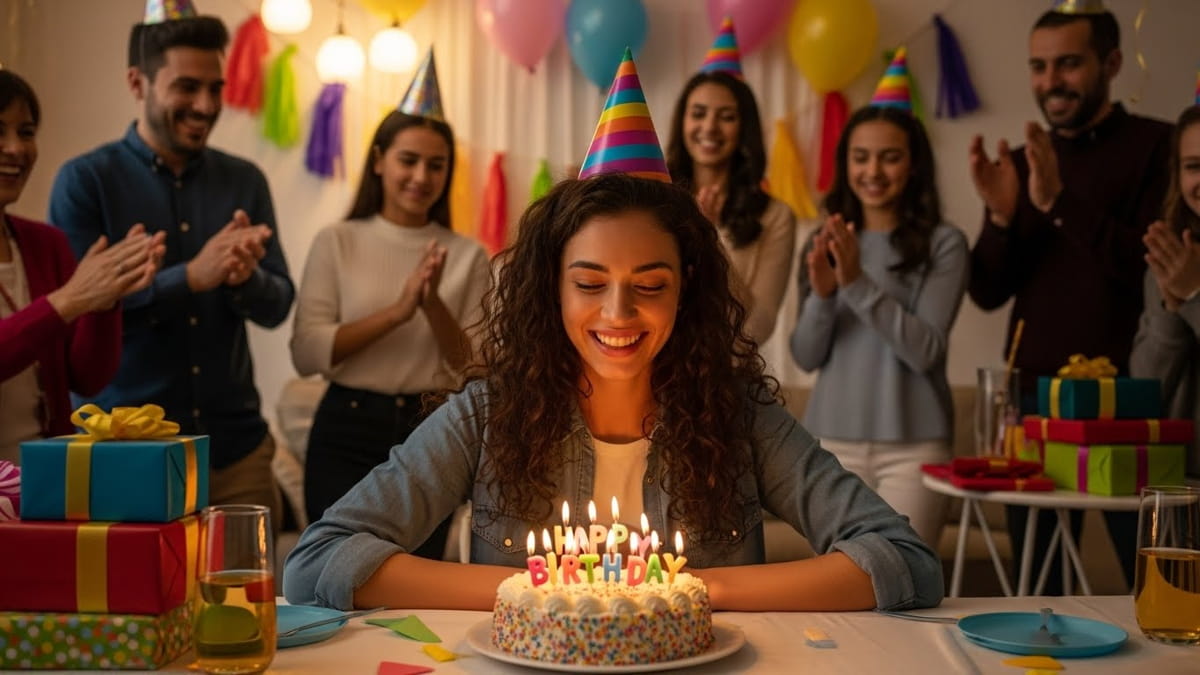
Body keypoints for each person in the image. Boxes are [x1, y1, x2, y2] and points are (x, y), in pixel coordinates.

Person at [284, 52, 941, 612]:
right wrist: (533, 590)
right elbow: (318, 561)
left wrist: (686, 590)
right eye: (590, 283)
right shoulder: (488, 413)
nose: (619, 313)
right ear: (552, 285)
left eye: (650, 285)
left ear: (688, 289)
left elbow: (905, 560)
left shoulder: (737, 413)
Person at [47, 5, 293, 529]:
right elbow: (71, 320)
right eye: (186, 87)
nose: (205, 105)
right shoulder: (85, 182)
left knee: (248, 604)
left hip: (236, 451)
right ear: (137, 82)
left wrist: (245, 278)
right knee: (130, 607)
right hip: (125, 455)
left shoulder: (244, 180)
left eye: (215, 88)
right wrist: (191, 277)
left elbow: (279, 305)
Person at [966, 3, 1171, 592]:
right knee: (1038, 590)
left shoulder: (1156, 147)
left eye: (1068, 64)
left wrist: (1057, 202)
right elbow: (986, 291)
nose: (1050, 82)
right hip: (1030, 403)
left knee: (1149, 583)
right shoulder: (1023, 159)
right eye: (1038, 66)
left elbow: (1149, 271)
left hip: (1126, 402)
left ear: (1110, 62)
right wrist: (1004, 217)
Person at [290, 50, 491, 558]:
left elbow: (475, 367)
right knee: (334, 573)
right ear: (378, 160)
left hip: (431, 430)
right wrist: (397, 313)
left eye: (436, 165)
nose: (421, 176)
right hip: (345, 426)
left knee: (413, 583)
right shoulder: (337, 240)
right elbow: (308, 352)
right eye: (408, 160)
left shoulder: (468, 255)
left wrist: (432, 309)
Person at [789, 50, 969, 548]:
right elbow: (805, 354)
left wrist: (855, 283)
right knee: (834, 589)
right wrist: (824, 297)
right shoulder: (823, 239)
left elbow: (925, 349)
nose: (874, 170)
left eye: (890, 156)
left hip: (915, 448)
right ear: (845, 162)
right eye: (861, 156)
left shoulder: (943, 242)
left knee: (908, 588)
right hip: (829, 445)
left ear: (914, 165)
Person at [0, 70, 165, 463]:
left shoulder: (44, 243)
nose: (15, 149)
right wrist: (67, 302)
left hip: (44, 483)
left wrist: (107, 298)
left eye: (26, 132)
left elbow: (87, 378)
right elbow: (60, 309)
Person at [665, 19, 796, 345]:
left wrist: (710, 242)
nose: (709, 127)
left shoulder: (775, 216)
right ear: (682, 121)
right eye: (698, 113)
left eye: (726, 116)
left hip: (726, 382)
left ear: (744, 129)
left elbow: (757, 329)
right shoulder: (655, 195)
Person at [1130, 104, 1200, 482]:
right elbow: (1146, 390)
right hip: (1179, 482)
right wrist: (1172, 311)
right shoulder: (1171, 256)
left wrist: (1194, 295)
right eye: (1193, 166)